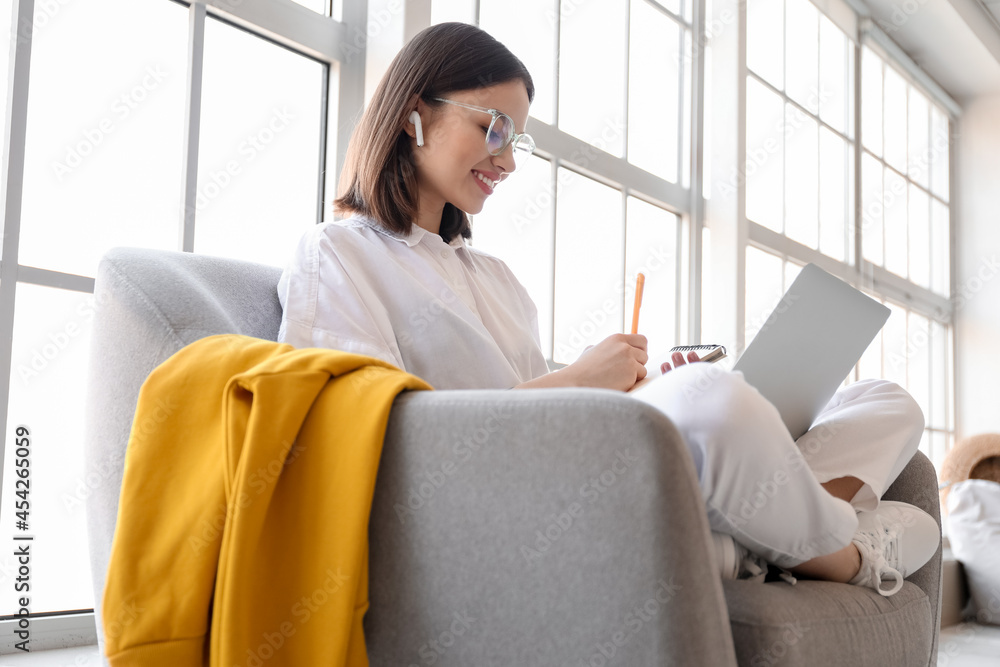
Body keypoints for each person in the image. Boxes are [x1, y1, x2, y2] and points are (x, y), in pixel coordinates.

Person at [277, 21, 940, 596]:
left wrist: (638, 385)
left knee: (886, 401)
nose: (507, 160)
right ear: (410, 114)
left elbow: (549, 410)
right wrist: (585, 381)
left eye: (517, 140)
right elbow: (367, 441)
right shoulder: (337, 254)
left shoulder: (497, 279)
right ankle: (846, 555)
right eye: (494, 128)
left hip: (590, 458)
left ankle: (758, 544)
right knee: (713, 399)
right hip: (509, 503)